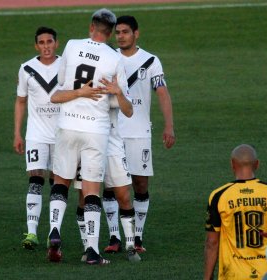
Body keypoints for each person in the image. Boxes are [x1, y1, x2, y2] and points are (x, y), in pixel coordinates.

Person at [46, 8, 131, 265]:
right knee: (92, 189)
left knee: (61, 182)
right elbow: (123, 107)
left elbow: (62, 84)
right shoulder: (115, 59)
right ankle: (92, 251)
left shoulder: (71, 46)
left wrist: (79, 92)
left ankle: (54, 229)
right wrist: (115, 93)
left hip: (68, 124)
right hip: (97, 130)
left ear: (91, 27)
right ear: (111, 32)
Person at [102, 15, 176, 254]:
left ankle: (138, 236)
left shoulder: (151, 61)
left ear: (136, 33)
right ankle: (114, 235)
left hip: (139, 132)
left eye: (125, 32)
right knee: (111, 185)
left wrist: (169, 126)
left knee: (140, 184)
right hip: (111, 132)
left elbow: (162, 92)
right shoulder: (108, 56)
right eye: (118, 32)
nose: (121, 36)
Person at [204, 144, 267, 280]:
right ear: (257, 164)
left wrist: (207, 278)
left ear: (232, 164)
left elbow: (212, 243)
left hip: (233, 275)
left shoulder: (219, 195)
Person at [73, 105, 141, 263]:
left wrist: (115, 91)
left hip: (113, 145)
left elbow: (127, 109)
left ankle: (131, 247)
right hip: (87, 143)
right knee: (84, 197)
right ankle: (88, 247)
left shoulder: (118, 79)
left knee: (123, 195)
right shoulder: (84, 79)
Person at [14, 26, 61, 250]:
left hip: (62, 135)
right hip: (36, 134)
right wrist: (17, 133)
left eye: (49, 42)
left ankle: (54, 230)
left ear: (56, 43)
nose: (46, 46)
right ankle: (31, 233)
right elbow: (20, 101)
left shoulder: (66, 66)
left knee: (57, 183)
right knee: (35, 180)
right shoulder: (26, 69)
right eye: (41, 43)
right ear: (36, 46)